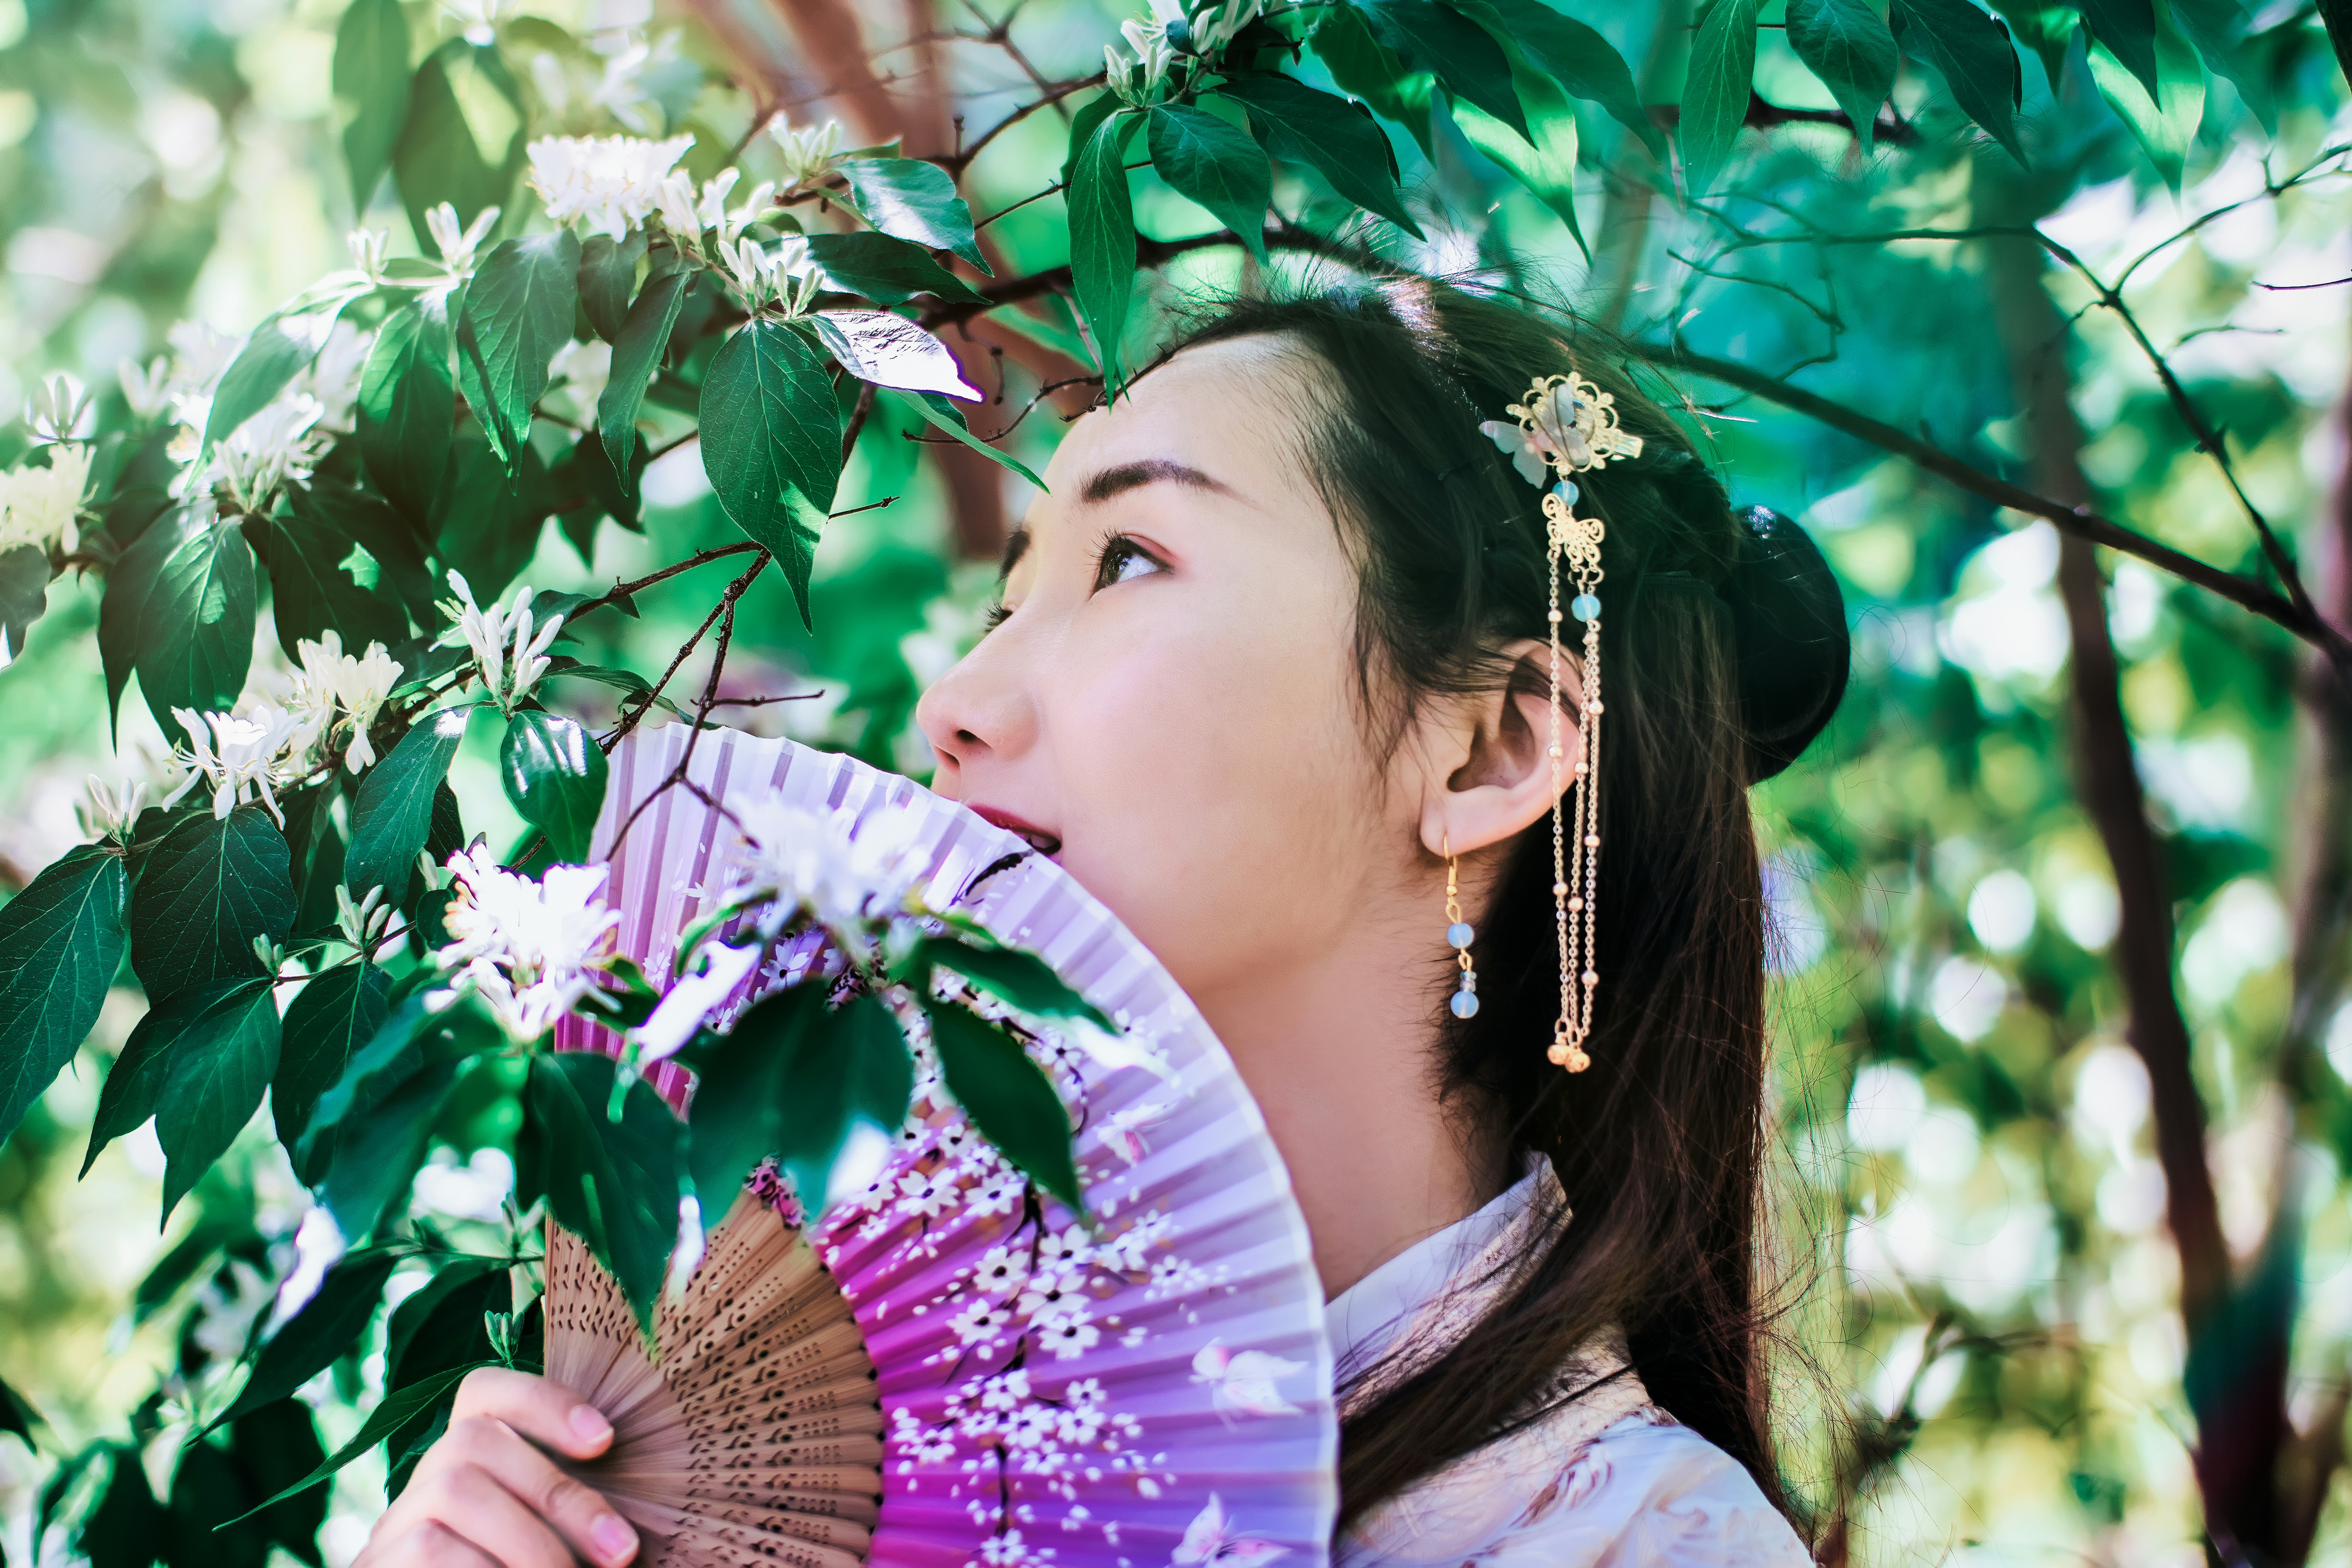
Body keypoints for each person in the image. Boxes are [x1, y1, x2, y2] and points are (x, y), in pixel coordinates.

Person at [358, 277, 1846, 1566]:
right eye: (1011, 603)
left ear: (1490, 749)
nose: (954, 708)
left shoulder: (1637, 1545)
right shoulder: (846, 1435)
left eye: (1130, 562)